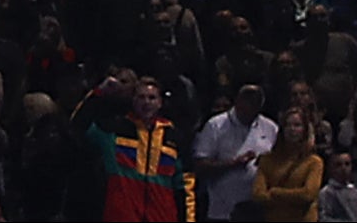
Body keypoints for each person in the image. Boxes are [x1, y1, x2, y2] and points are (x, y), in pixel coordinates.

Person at [77, 75, 194, 222]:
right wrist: (99, 93)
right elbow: (78, 126)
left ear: (160, 103)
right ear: (133, 101)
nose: (146, 103)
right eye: (141, 97)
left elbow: (186, 187)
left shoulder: (175, 138)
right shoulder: (115, 130)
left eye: (152, 98)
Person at [193, 83, 277, 221]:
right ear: (237, 102)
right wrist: (233, 163)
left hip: (258, 212)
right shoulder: (216, 126)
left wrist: (267, 163)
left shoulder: (270, 128)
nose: (249, 110)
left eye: (255, 105)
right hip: (221, 211)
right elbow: (200, 166)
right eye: (246, 104)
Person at [253, 108, 323, 223]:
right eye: (288, 125)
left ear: (305, 130)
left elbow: (308, 194)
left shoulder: (314, 162)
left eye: (297, 125)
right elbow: (258, 194)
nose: (292, 129)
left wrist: (275, 192)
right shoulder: (267, 160)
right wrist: (293, 198)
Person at [321, 149, 357, 222]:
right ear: (330, 168)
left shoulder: (356, 192)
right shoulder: (327, 193)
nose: (343, 168)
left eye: (347, 164)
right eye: (338, 165)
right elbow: (324, 218)